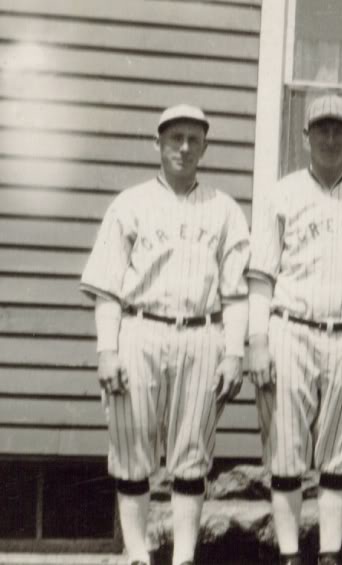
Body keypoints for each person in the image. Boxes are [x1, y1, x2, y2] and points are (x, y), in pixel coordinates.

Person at [80, 104, 250, 565]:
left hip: (200, 334)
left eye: (194, 139)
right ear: (157, 143)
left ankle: (184, 557)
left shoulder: (224, 209)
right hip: (139, 330)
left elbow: (236, 295)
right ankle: (138, 555)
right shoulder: (130, 203)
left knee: (191, 455)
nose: (184, 147)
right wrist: (106, 350)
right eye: (175, 137)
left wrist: (234, 353)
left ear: (205, 148)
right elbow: (107, 289)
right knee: (132, 451)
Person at [247, 93, 342, 565]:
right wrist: (256, 339)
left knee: (340, 458)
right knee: (286, 456)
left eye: (339, 129)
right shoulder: (281, 194)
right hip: (290, 331)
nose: (330, 138)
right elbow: (260, 276)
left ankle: (330, 554)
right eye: (321, 129)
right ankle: (291, 555)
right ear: (305, 136)